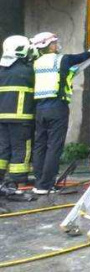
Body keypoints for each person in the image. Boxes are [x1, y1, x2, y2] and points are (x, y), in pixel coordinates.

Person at [29, 32, 90, 195]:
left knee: (40, 145)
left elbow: (56, 77)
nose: (57, 45)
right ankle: (47, 185)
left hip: (40, 108)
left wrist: (69, 73)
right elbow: (80, 57)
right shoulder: (61, 59)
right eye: (54, 42)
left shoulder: (36, 63)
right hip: (56, 107)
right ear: (48, 45)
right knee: (54, 146)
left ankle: (39, 183)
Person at [0, 36, 35, 197]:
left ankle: (1, 178)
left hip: (2, 118)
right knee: (21, 149)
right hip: (21, 119)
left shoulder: (2, 71)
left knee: (3, 148)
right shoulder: (28, 71)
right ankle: (18, 180)